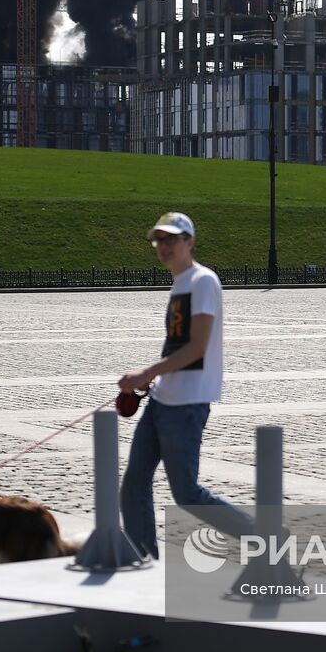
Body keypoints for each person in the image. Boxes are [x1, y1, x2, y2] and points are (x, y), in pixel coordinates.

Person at [117, 212, 253, 559]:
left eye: (172, 239)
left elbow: (197, 347)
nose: (164, 246)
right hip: (163, 399)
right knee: (134, 482)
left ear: (189, 242)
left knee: (187, 493)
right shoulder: (181, 283)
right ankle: (142, 555)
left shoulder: (202, 281)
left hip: (188, 403)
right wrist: (154, 380)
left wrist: (146, 372)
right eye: (159, 240)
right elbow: (179, 347)